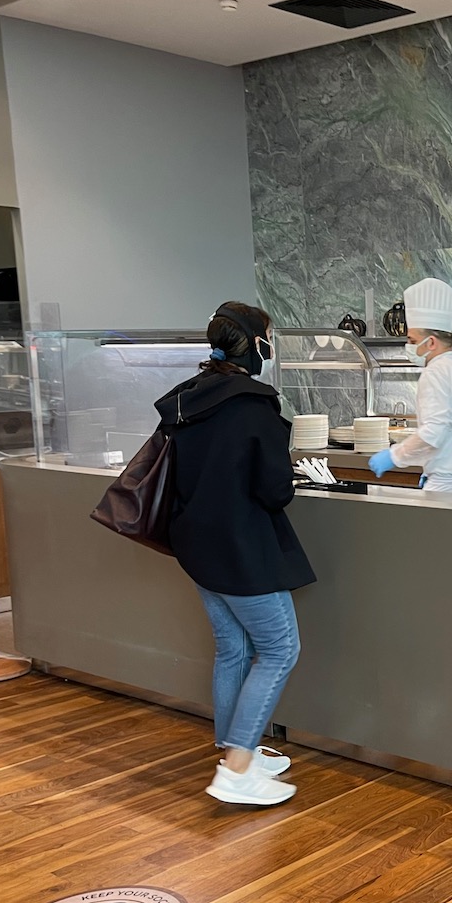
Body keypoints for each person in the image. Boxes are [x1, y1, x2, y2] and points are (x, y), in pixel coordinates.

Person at [154, 302, 315, 806]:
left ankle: (232, 748)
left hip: (196, 547)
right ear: (255, 343)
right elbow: (273, 491)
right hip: (243, 549)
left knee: (233, 648)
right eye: (269, 336)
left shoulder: (186, 400)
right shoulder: (253, 405)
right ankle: (237, 769)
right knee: (280, 649)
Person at [367, 278, 452, 495]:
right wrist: (432, 463)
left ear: (430, 342)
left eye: (412, 340)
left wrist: (395, 456)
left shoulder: (435, 372)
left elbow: (434, 431)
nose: (409, 346)